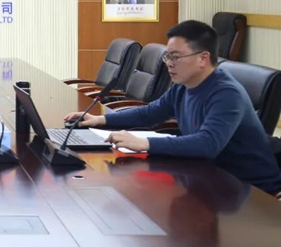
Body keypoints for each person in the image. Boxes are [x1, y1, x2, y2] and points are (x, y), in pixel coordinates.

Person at [65, 20, 281, 195]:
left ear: (203, 58)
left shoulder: (226, 93)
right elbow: (151, 113)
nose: (169, 63)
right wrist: (100, 120)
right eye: (168, 56)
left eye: (176, 57)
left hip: (249, 190)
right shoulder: (184, 86)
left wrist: (144, 143)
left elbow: (208, 144)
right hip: (208, 175)